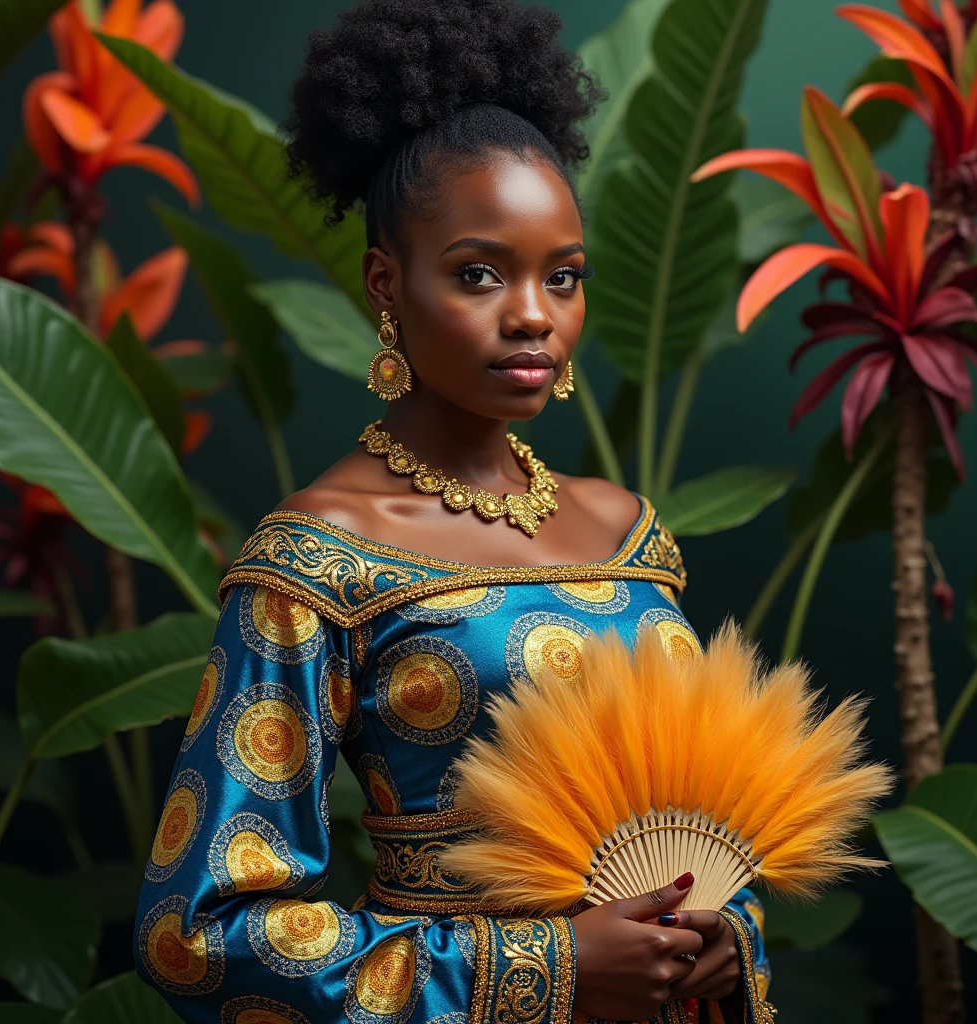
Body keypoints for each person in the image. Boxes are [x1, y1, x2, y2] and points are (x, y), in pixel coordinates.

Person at [133, 2, 771, 1021]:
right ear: (386, 284)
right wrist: (544, 969)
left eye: (562, 278)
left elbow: (711, 828)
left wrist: (724, 939)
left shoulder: (631, 535)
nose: (533, 314)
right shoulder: (316, 561)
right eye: (480, 273)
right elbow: (199, 930)